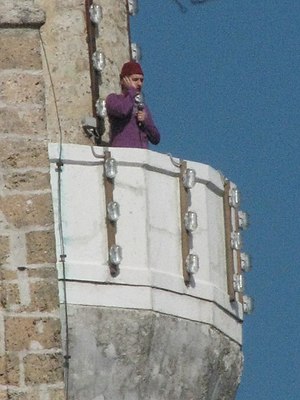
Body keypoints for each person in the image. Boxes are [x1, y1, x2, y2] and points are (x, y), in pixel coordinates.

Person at [106, 61, 160, 149]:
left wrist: (145, 121)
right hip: (122, 154)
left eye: (141, 80)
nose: (139, 84)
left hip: (140, 155)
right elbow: (123, 110)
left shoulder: (142, 107)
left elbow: (156, 138)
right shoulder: (113, 99)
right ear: (123, 81)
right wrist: (131, 91)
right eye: (135, 80)